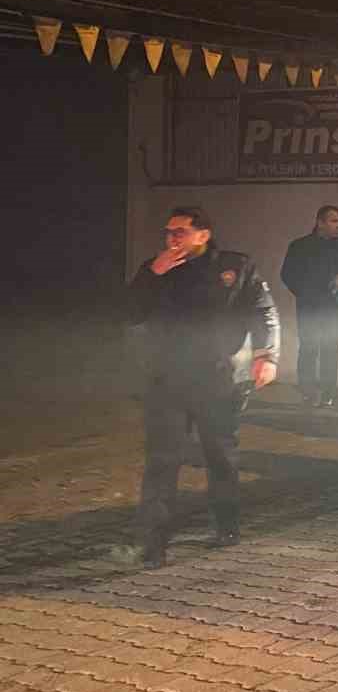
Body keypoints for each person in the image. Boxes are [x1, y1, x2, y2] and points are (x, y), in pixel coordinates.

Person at [119, 206, 279, 567]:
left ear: (203, 234)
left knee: (220, 456)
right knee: (162, 460)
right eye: (169, 232)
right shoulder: (157, 269)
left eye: (181, 231)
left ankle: (227, 524)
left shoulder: (235, 266)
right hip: (168, 379)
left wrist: (266, 354)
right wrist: (151, 275)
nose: (172, 238)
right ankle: (154, 543)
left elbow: (263, 309)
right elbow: (128, 312)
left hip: (218, 378)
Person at [280, 205, 338, 408]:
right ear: (320, 222)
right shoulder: (300, 246)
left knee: (331, 348)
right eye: (334, 221)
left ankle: (330, 392)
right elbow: (287, 274)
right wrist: (305, 293)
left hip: (334, 306)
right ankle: (308, 393)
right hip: (310, 306)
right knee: (309, 348)